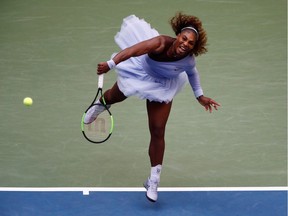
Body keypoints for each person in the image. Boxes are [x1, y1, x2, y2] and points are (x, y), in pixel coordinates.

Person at [84, 12, 220, 202]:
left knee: (158, 131)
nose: (186, 44)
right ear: (178, 36)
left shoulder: (188, 59)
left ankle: (153, 180)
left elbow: (192, 73)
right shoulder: (159, 43)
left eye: (191, 44)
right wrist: (111, 64)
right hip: (141, 72)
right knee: (115, 96)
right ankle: (101, 105)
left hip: (164, 84)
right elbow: (132, 51)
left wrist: (200, 96)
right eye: (184, 39)